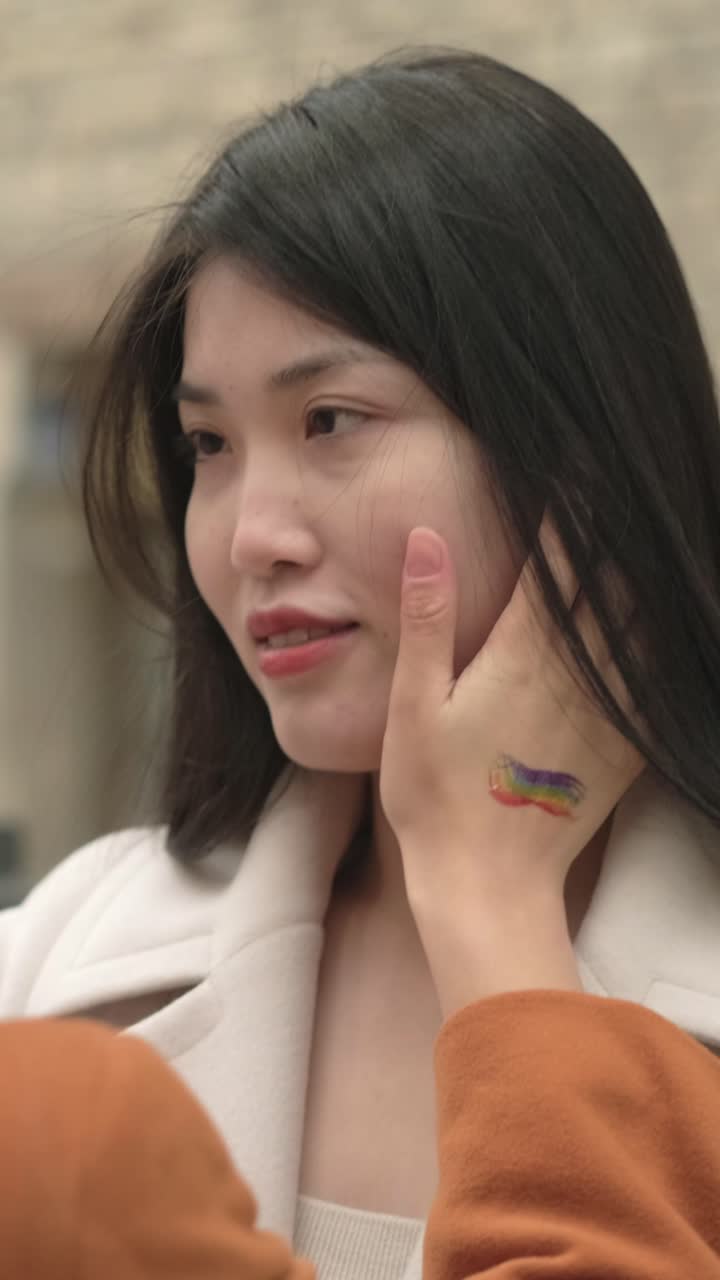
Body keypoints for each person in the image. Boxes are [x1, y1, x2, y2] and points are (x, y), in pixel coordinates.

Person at [2, 43, 720, 1277]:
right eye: (209, 445)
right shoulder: (56, 961)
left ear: (582, 453)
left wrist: (493, 896)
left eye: (331, 420)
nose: (249, 534)